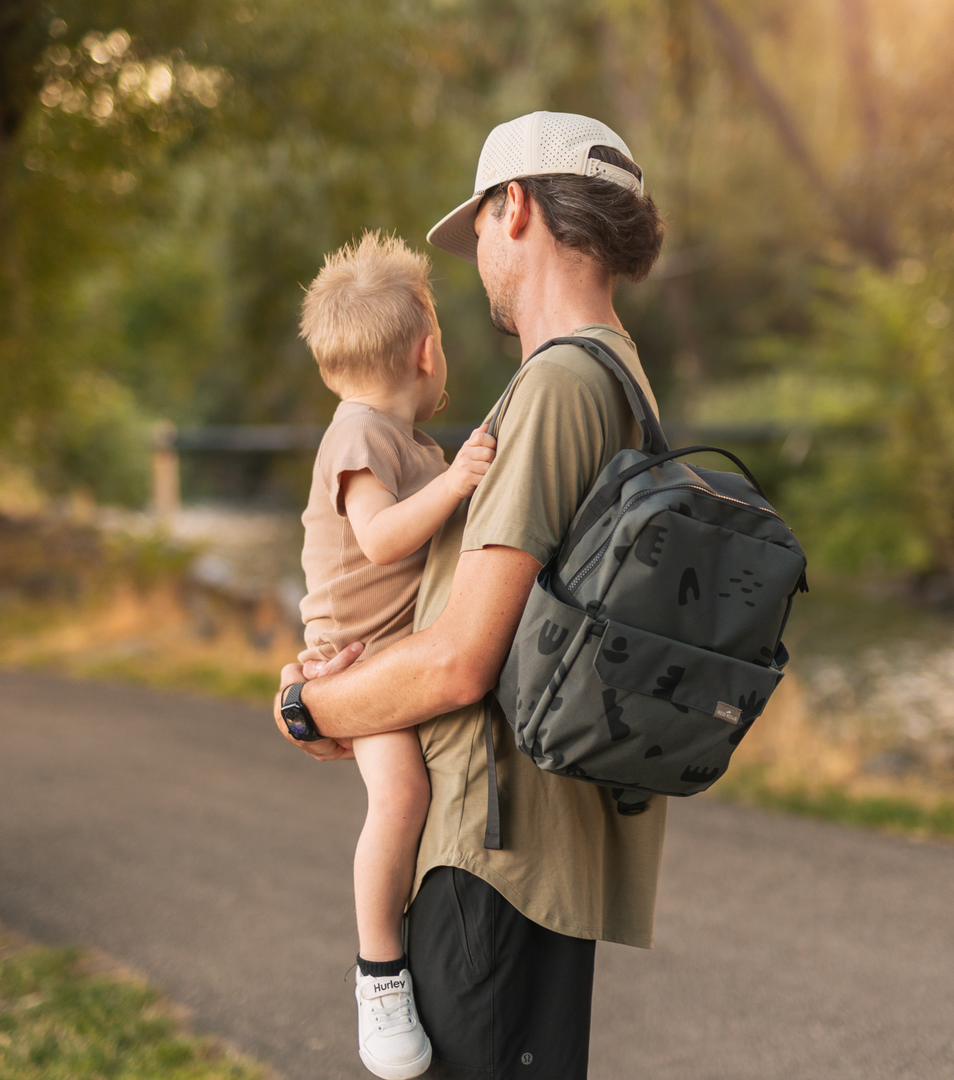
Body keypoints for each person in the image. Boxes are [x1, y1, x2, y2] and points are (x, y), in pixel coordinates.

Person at [275, 112, 668, 1080]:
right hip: (529, 841)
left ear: (517, 208)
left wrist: (308, 704)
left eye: (482, 229)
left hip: (493, 850)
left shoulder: (559, 388)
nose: (480, 258)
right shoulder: (606, 376)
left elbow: (458, 661)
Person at [293, 231, 496, 1080]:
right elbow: (378, 541)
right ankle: (379, 970)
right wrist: (456, 486)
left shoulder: (404, 442)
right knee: (402, 792)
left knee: (418, 789)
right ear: (427, 350)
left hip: (389, 646)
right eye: (443, 337)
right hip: (358, 655)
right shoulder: (358, 438)